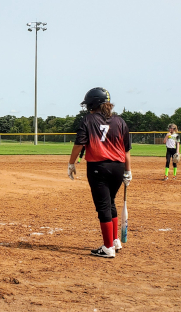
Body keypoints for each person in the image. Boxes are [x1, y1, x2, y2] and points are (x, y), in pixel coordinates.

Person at [68, 88, 131, 258]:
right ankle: (115, 240)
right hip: (118, 167)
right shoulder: (120, 121)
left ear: (92, 103)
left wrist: (71, 163)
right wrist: (128, 171)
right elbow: (126, 150)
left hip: (98, 167)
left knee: (103, 205)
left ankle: (108, 247)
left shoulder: (88, 119)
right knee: (110, 202)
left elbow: (79, 144)